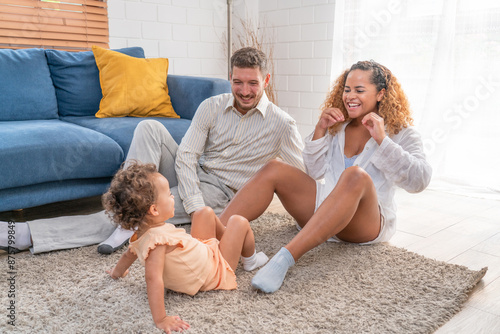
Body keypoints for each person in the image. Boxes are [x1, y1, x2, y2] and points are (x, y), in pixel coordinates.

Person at [0, 46, 304, 255]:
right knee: (149, 128)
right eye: (238, 82)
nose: (244, 90)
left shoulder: (282, 124)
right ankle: (125, 208)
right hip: (195, 175)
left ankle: (26, 234)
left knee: (146, 208)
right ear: (231, 78)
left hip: (222, 194)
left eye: (252, 83)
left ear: (266, 80)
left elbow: (300, 176)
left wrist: (198, 207)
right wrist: (191, 195)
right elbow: (186, 155)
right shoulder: (213, 106)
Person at [218, 60, 433, 293]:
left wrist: (383, 140)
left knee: (355, 176)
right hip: (323, 213)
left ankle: (284, 258)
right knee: (274, 167)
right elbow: (314, 172)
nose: (350, 96)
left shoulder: (401, 132)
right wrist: (321, 128)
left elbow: (419, 181)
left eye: (359, 90)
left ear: (381, 94)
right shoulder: (338, 126)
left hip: (365, 226)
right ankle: (209, 239)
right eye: (347, 89)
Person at [105, 162, 268, 333]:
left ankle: (229, 241)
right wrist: (161, 319)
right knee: (238, 222)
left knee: (204, 212)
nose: (173, 197)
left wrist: (118, 273)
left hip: (202, 253)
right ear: (154, 210)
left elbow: (128, 255)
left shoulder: (142, 235)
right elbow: (153, 280)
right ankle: (250, 260)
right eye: (169, 194)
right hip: (214, 270)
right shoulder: (157, 243)